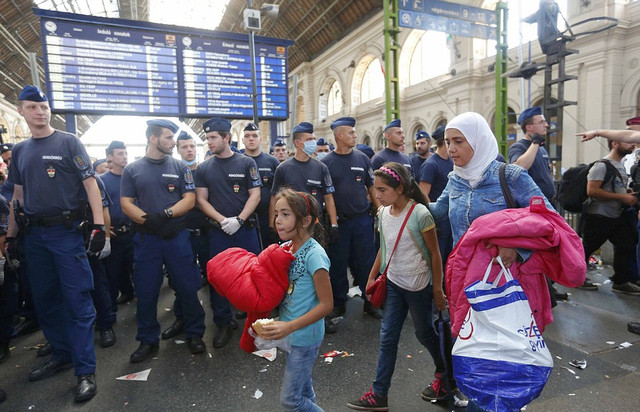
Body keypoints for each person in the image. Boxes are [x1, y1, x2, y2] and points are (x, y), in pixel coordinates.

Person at [427, 112, 557, 410]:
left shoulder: (510, 176)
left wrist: (516, 247)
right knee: (477, 351)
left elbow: (548, 222)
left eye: (459, 141)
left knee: (507, 355)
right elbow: (436, 213)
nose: (452, 149)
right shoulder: (454, 179)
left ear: (479, 140)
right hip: (468, 285)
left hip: (509, 284)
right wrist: (402, 196)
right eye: (448, 142)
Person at [6, 85, 106, 402]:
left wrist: (99, 226)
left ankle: (85, 371)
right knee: (45, 299)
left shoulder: (67, 141)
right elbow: (16, 198)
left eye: (44, 106)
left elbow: (90, 184)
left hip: (65, 234)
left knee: (77, 301)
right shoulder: (20, 151)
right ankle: (61, 354)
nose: (40, 111)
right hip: (34, 237)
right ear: (21, 111)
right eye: (32, 107)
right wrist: (10, 237)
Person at [347, 162, 464, 411]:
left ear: (399, 188)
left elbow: (434, 254)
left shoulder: (420, 214)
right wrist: (370, 276)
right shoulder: (382, 213)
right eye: (375, 190)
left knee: (424, 333)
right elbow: (384, 247)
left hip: (419, 287)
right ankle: (379, 395)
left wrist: (437, 290)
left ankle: (445, 372)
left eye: (382, 190)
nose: (376, 195)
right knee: (387, 338)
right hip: (393, 285)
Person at [121, 119, 206, 362]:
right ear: (153, 139)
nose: (173, 142)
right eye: (168, 137)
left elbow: (189, 198)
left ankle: (195, 333)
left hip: (176, 236)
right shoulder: (133, 170)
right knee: (146, 291)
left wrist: (167, 215)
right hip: (147, 238)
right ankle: (148, 340)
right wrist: (148, 221)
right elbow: (126, 202)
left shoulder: (180, 168)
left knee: (187, 286)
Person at [261, 189, 333, 412]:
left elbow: (326, 305)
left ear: (306, 220)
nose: (277, 221)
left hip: (305, 337)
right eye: (276, 214)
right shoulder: (285, 249)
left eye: (285, 214)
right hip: (291, 334)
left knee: (291, 401)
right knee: (304, 391)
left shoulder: (315, 256)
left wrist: (290, 325)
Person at [195, 117, 261, 348]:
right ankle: (224, 321)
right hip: (219, 231)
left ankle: (257, 323)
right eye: (207, 138)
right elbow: (201, 200)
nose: (209, 142)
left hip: (245, 230)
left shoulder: (246, 163)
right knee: (218, 278)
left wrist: (240, 220)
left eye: (213, 137)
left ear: (226, 138)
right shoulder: (204, 168)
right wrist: (223, 220)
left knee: (254, 274)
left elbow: (255, 194)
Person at [321, 117, 381, 331]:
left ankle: (370, 301)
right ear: (339, 135)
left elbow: (372, 187)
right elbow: (326, 196)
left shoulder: (363, 159)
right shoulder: (326, 163)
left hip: (362, 221)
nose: (355, 136)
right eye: (351, 133)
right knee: (337, 264)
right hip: (340, 224)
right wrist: (333, 225)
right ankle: (339, 303)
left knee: (366, 263)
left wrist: (379, 211)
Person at [161, 130, 210, 340]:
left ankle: (221, 319)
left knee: (211, 277)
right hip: (180, 234)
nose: (189, 150)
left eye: (192, 146)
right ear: (177, 149)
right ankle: (181, 319)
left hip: (205, 234)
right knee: (181, 282)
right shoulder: (172, 171)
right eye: (184, 147)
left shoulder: (205, 171)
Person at [580, 139, 640, 294]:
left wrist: (625, 194)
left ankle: (621, 281)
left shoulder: (620, 165)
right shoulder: (601, 165)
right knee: (587, 249)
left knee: (626, 245)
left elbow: (615, 188)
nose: (632, 144)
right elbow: (592, 190)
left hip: (616, 216)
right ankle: (576, 278)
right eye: (628, 142)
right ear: (615, 143)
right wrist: (621, 198)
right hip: (598, 216)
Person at [270, 122, 338, 242]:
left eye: (314, 139)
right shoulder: (283, 168)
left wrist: (334, 225)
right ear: (298, 143)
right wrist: (273, 224)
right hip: (291, 225)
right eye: (309, 139)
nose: (313, 143)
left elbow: (328, 197)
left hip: (315, 224)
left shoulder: (321, 168)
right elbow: (274, 198)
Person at [101, 140, 135, 307]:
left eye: (125, 153)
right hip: (114, 236)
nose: (125, 157)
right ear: (110, 157)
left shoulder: (133, 178)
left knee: (139, 273)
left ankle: (140, 305)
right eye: (120, 154)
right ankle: (110, 314)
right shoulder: (102, 181)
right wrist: (104, 229)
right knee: (112, 277)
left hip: (133, 234)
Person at [418, 125, 454, 268]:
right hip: (438, 221)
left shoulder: (451, 162)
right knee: (438, 258)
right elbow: (423, 194)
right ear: (445, 142)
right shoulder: (431, 165)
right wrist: (433, 220)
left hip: (450, 218)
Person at [242, 122, 280, 249]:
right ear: (242, 140)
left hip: (267, 217)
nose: (251, 139)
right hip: (245, 218)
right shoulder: (238, 162)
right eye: (247, 136)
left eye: (254, 135)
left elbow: (279, 192)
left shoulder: (272, 161)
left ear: (260, 139)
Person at [509, 107, 556, 202]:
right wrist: (535, 143)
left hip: (548, 201)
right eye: (541, 122)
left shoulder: (541, 148)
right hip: (532, 203)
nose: (546, 125)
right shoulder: (518, 147)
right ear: (529, 127)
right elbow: (518, 168)